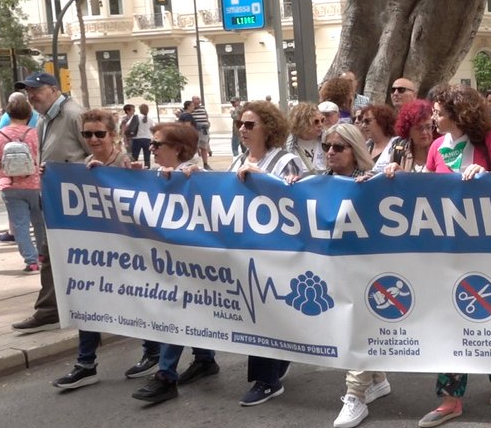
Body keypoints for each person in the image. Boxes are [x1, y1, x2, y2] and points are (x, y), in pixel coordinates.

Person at [387, 84, 491, 428]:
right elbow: (426, 191)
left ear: (460, 115)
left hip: (487, 249)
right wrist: (399, 179)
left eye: (440, 112)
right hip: (445, 249)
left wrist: (489, 177)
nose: (433, 117)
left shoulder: (489, 142)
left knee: (488, 314)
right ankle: (450, 398)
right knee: (449, 320)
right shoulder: (435, 148)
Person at [51, 110, 166, 391]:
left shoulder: (126, 165)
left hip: (130, 253)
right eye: (87, 134)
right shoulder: (85, 166)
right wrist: (50, 178)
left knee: (137, 301)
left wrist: (135, 178)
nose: (93, 139)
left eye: (99, 133)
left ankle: (153, 352)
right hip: (98, 254)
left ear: (113, 135)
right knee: (88, 300)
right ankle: (85, 364)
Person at [130, 122, 219, 404]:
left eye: (158, 144)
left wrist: (188, 179)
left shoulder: (196, 175)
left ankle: (166, 375)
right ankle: (205, 359)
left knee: (175, 312)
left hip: (191, 262)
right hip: (165, 261)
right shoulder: (156, 174)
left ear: (179, 149)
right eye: (152, 144)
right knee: (186, 311)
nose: (151, 148)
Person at [231, 100, 307, 405]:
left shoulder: (285, 160)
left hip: (278, 251)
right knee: (258, 312)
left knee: (267, 310)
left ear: (269, 129)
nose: (243, 130)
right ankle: (277, 363)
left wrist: (261, 178)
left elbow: (298, 198)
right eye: (240, 124)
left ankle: (267, 380)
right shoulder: (237, 161)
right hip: (245, 249)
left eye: (250, 125)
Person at [321, 123, 394, 428]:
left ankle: (355, 396)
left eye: (339, 147)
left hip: (366, 268)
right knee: (347, 326)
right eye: (327, 147)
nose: (330, 153)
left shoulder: (370, 182)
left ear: (355, 150)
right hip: (334, 268)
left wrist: (389, 176)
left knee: (356, 329)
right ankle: (376, 378)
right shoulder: (318, 184)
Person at [11, 72, 92, 334]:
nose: (31, 96)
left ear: (55, 90)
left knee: (84, 255)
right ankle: (49, 310)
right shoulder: (44, 119)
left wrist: (68, 171)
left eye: (36, 90)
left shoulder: (73, 114)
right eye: (27, 92)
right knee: (50, 254)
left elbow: (97, 154)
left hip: (77, 201)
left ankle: (84, 306)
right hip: (56, 200)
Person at [0, 95, 43, 272]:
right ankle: (43, 253)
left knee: (20, 225)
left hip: (10, 185)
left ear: (7, 114)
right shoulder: (35, 134)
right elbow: (41, 158)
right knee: (39, 221)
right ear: (28, 114)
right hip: (35, 184)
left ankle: (31, 260)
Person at [378, 99, 436, 173]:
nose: (424, 132)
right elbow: (379, 173)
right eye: (419, 128)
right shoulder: (398, 149)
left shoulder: (440, 150)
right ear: (408, 130)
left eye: (428, 127)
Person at [285, 102, 326, 173]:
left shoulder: (327, 141)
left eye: (322, 120)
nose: (320, 125)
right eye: (316, 121)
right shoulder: (287, 146)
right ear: (302, 123)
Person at [189, 95, 212, 169]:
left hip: (204, 130)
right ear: (193, 100)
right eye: (197, 99)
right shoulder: (191, 108)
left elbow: (206, 115)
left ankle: (205, 164)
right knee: (195, 147)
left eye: (199, 99)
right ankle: (193, 164)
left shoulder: (202, 107)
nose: (199, 100)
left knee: (204, 147)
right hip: (196, 130)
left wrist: (208, 122)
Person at [130, 103, 154, 168]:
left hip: (137, 139)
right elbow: (152, 129)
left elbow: (129, 125)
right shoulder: (150, 119)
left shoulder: (136, 117)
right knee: (147, 157)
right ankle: (147, 169)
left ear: (140, 110)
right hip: (147, 139)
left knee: (134, 156)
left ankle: (134, 170)